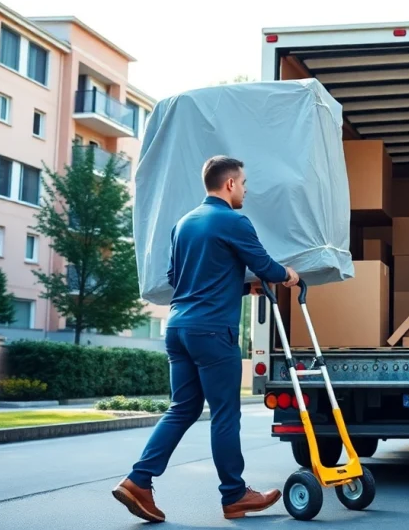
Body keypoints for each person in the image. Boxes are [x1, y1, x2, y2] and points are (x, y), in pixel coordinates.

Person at [112, 156, 298, 523]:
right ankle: (234, 495)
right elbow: (267, 267)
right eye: (243, 183)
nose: (245, 189)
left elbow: (183, 279)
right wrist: (288, 275)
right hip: (213, 331)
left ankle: (138, 481)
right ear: (229, 184)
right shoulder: (233, 221)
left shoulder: (184, 224)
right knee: (226, 414)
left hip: (179, 328)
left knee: (182, 409)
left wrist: (245, 289)